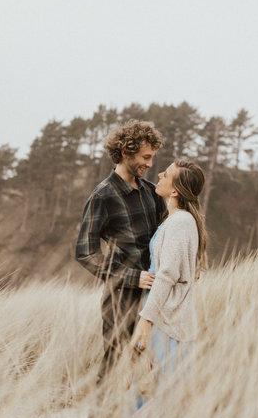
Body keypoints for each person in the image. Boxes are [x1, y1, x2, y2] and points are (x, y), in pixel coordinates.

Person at [75, 120, 165, 384]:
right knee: (113, 372)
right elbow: (85, 253)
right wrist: (131, 277)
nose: (150, 164)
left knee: (153, 370)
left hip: (154, 297)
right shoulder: (102, 196)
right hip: (120, 300)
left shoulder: (150, 192)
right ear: (126, 153)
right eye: (146, 157)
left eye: (152, 158)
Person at [131, 158, 207, 390]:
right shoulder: (175, 220)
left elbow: (167, 275)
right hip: (164, 318)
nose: (160, 173)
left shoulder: (181, 222)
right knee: (152, 393)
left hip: (168, 323)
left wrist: (146, 320)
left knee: (161, 397)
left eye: (167, 173)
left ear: (174, 190)